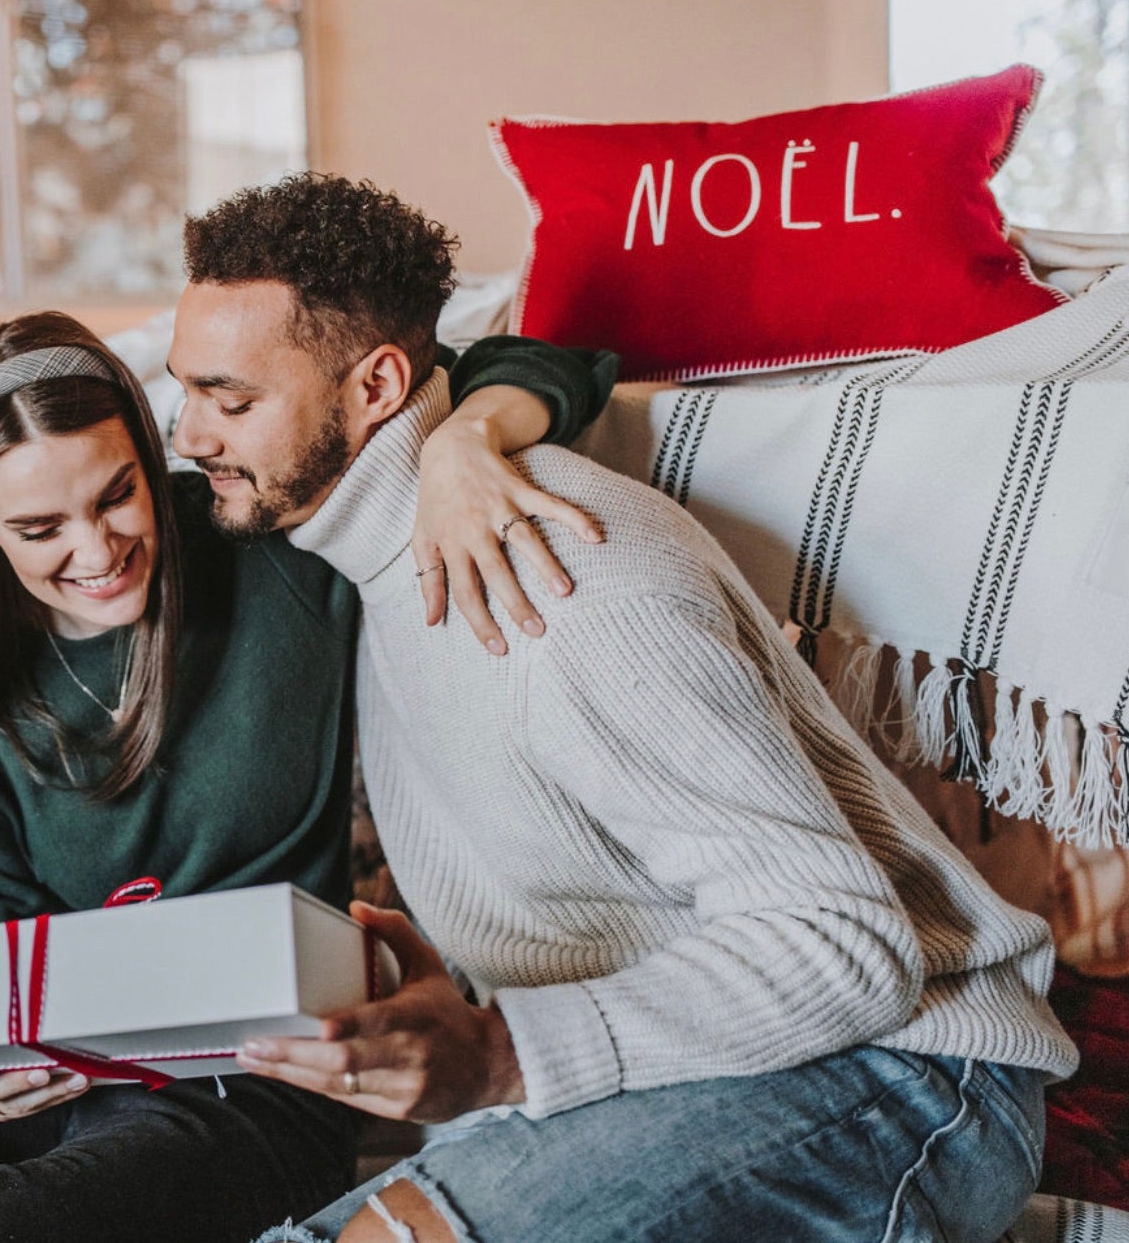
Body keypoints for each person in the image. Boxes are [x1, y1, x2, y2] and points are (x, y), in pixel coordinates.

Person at [150, 172, 1079, 1243]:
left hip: (908, 1074)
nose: (190, 434)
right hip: (692, 1074)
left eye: (230, 399)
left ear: (376, 385)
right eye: (187, 391)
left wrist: (503, 1049)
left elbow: (846, 945)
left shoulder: (567, 575)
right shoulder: (373, 565)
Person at [0, 307, 611, 1243]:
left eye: (116, 494)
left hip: (247, 1093)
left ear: (147, 444)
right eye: (40, 527)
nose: (97, 551)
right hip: (43, 1088)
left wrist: (464, 446)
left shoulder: (271, 543)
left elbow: (545, 360)